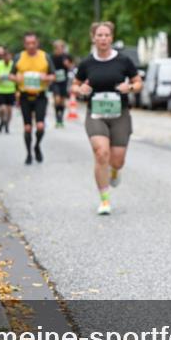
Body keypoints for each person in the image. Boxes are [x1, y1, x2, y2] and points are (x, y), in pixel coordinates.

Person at [72, 21, 142, 215]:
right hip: (96, 114)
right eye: (99, 35)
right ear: (93, 38)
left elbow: (138, 83)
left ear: (111, 37)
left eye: (106, 35)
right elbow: (74, 86)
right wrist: (81, 89)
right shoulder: (87, 63)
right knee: (101, 152)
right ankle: (104, 201)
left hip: (120, 114)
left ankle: (114, 170)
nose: (103, 39)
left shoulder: (123, 61)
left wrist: (128, 87)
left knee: (117, 160)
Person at [12, 32, 54, 164]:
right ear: (24, 44)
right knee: (28, 127)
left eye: (33, 43)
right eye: (28, 43)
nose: (31, 46)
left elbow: (53, 75)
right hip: (25, 96)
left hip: (40, 95)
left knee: (40, 126)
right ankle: (29, 153)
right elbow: (10, 75)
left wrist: (46, 78)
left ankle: (37, 146)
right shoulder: (19, 57)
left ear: (37, 43)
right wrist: (16, 78)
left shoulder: (45, 56)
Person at [0, 49, 16, 133]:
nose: (7, 58)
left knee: (9, 110)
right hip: (1, 90)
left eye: (9, 56)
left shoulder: (13, 65)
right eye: (6, 56)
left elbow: (17, 76)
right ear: (3, 57)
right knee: (3, 108)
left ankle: (6, 125)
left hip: (11, 90)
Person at [50, 40, 73, 128]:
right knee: (57, 99)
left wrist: (67, 65)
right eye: (57, 47)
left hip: (64, 81)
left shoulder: (67, 56)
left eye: (61, 47)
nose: (59, 49)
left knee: (62, 100)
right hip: (55, 81)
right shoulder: (51, 57)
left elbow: (72, 67)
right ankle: (57, 117)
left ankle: (61, 119)